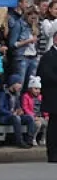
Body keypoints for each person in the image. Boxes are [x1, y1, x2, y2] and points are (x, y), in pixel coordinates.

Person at [0, 74, 36, 149]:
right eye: (19, 83)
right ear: (13, 83)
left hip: (14, 115)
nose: (21, 86)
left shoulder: (16, 95)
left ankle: (29, 140)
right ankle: (19, 141)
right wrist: (11, 113)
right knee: (16, 118)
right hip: (5, 117)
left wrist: (20, 110)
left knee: (30, 118)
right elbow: (0, 108)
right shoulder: (3, 94)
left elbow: (17, 107)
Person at [36, 31, 57, 162]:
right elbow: (45, 74)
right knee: (54, 126)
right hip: (53, 95)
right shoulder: (49, 56)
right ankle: (53, 153)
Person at [22, 76, 48, 145]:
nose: (38, 91)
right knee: (38, 124)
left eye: (39, 89)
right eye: (35, 89)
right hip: (32, 117)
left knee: (48, 123)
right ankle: (33, 138)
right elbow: (25, 108)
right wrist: (33, 116)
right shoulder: (26, 96)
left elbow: (44, 107)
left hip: (40, 116)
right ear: (30, 89)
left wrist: (46, 115)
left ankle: (43, 139)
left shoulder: (40, 97)